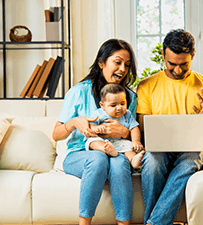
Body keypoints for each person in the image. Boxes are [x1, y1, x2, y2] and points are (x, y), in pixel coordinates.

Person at [52, 39, 138, 225]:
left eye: (127, 65)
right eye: (117, 62)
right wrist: (74, 122)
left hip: (116, 151)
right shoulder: (79, 92)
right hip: (79, 154)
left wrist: (124, 132)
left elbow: (134, 133)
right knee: (98, 159)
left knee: (119, 164)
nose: (123, 69)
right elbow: (56, 134)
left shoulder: (129, 97)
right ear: (101, 63)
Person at [136, 29, 203, 225]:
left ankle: (153, 223)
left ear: (193, 56)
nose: (177, 70)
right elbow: (142, 123)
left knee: (188, 164)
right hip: (160, 147)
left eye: (183, 65)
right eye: (171, 64)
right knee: (152, 164)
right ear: (163, 55)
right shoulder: (147, 85)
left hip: (193, 148)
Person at [85, 83, 145, 169]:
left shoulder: (127, 114)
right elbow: (90, 126)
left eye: (122, 104)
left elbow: (134, 128)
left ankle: (133, 159)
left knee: (129, 147)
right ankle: (106, 149)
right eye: (113, 105)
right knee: (92, 141)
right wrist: (96, 128)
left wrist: (136, 141)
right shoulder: (99, 114)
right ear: (102, 105)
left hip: (119, 142)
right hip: (103, 141)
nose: (119, 108)